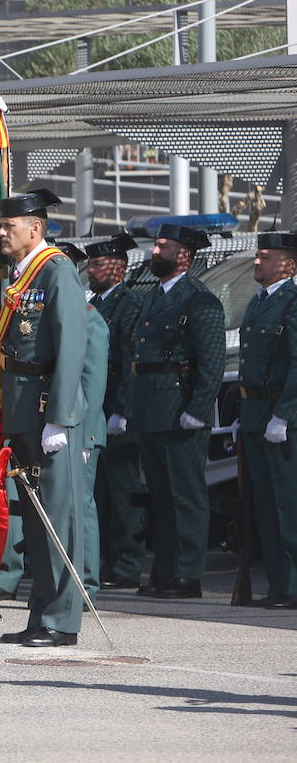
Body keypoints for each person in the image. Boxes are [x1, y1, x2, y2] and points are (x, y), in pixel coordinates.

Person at [0, 189, 89, 648]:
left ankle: (62, 620)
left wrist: (60, 415)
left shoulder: (56, 271)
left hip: (46, 408)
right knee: (34, 518)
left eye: (8, 226)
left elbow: (71, 344)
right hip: (22, 405)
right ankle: (41, 613)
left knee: (57, 518)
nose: (0, 233)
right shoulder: (18, 274)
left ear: (35, 227)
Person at [111, 223, 224, 600]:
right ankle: (164, 572)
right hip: (150, 406)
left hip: (179, 408)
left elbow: (211, 361)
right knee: (160, 494)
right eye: (155, 245)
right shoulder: (154, 295)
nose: (153, 252)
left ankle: (187, 575)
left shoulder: (199, 298)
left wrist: (198, 408)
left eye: (162, 246)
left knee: (186, 495)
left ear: (184, 255)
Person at [236, 232, 297, 609]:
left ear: (287, 261)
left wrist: (283, 415)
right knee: (263, 502)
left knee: (285, 505)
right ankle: (278, 585)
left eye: (265, 256)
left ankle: (290, 586)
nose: (257, 262)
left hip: (281, 418)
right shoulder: (260, 301)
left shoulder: (291, 302)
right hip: (257, 415)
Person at [85, 233, 146, 590]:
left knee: (123, 490)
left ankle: (127, 562)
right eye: (89, 264)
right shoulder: (94, 303)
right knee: (102, 490)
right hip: (96, 404)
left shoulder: (130, 304)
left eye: (97, 264)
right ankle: (108, 559)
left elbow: (129, 361)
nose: (90, 271)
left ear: (118, 267)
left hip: (115, 405)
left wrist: (121, 409)